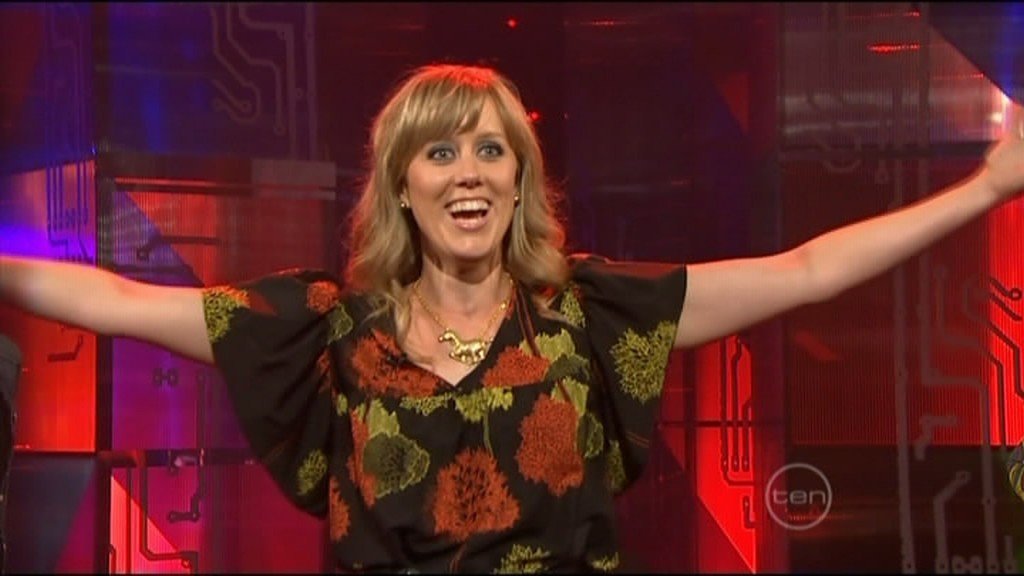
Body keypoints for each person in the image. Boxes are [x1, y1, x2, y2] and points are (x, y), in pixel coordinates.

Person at [2, 63, 1024, 572]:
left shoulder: (591, 316)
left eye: (491, 151)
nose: (469, 174)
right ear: (401, 186)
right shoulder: (326, 329)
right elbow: (113, 300)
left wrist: (985, 187)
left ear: (520, 179)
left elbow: (805, 270)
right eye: (441, 152)